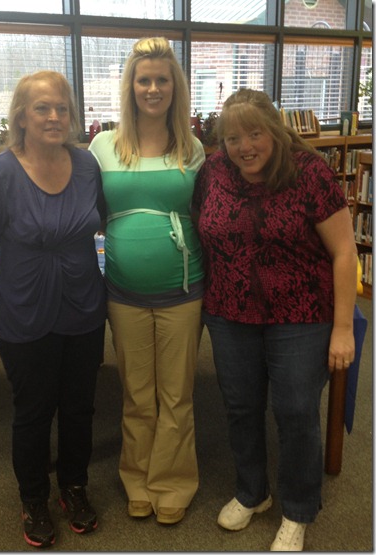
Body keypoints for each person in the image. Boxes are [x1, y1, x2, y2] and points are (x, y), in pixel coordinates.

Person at [192, 88, 358, 551]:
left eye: (254, 134)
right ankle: (252, 492)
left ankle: (298, 508)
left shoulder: (309, 173)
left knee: (296, 411)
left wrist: (343, 328)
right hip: (230, 311)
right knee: (240, 406)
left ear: (275, 131)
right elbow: (200, 226)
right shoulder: (213, 171)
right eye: (232, 138)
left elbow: (345, 253)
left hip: (301, 313)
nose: (244, 147)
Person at [0, 70, 107, 548]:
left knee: (79, 407)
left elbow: (104, 221)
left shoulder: (86, 165)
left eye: (62, 108)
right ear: (22, 117)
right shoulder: (0, 174)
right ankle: (33, 498)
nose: (53, 117)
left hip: (84, 308)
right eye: (42, 108)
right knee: (33, 411)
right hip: (24, 312)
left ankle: (74, 487)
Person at [89, 36, 205, 525]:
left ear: (175, 87)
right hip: (123, 291)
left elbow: (204, 214)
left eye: (162, 80)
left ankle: (172, 483)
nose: (153, 89)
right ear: (130, 86)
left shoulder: (192, 148)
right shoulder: (103, 146)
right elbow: (89, 212)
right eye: (144, 80)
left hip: (183, 290)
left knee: (176, 394)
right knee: (137, 394)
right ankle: (138, 480)